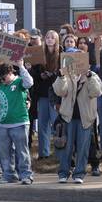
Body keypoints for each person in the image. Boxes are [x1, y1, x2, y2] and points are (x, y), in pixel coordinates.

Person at [52, 63, 102, 183]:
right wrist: (61, 77)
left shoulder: (93, 76)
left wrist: (89, 76)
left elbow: (96, 92)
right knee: (66, 148)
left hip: (85, 118)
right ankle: (63, 173)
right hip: (67, 118)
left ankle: (79, 174)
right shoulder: (66, 75)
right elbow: (59, 92)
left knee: (83, 148)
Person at [0, 62, 34, 184]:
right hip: (3, 123)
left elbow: (30, 82)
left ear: (10, 73)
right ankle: (9, 174)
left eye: (3, 77)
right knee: (5, 152)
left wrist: (21, 67)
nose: (1, 80)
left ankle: (26, 175)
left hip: (19, 122)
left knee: (22, 151)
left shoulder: (20, 82)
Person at [31, 30, 60, 159]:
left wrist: (52, 75)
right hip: (42, 93)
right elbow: (33, 72)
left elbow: (62, 71)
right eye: (47, 37)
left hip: (56, 93)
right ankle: (44, 153)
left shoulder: (61, 54)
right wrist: (40, 75)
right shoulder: (39, 54)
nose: (49, 39)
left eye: (52, 37)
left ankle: (60, 153)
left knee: (57, 124)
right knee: (43, 124)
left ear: (56, 40)